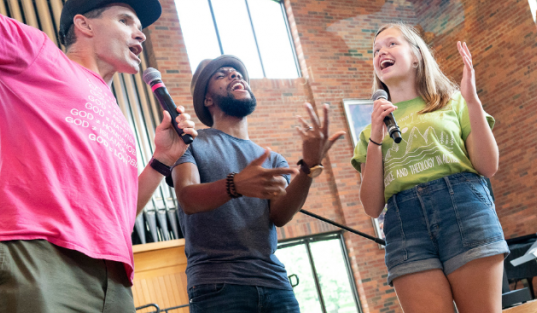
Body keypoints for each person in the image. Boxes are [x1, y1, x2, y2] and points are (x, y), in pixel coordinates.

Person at [0, 0, 197, 312]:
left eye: (140, 27)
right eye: (125, 20)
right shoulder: (39, 56)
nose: (140, 34)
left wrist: (162, 159)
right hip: (35, 252)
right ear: (83, 24)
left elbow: (121, 215)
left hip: (111, 273)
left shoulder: (120, 119)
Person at [352, 23, 508, 312]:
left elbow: (488, 166)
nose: (381, 52)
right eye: (375, 51)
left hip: (464, 210)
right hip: (404, 226)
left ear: (416, 56)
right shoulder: (369, 133)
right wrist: (375, 137)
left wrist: (472, 101)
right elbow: (372, 206)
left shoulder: (454, 102)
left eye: (391, 44)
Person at [170, 55, 345, 312]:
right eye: (222, 75)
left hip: (274, 282)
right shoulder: (189, 143)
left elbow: (280, 214)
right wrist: (235, 185)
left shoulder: (272, 158)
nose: (235, 76)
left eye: (237, 73)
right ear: (207, 99)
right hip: (218, 284)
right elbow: (187, 198)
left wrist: (308, 167)